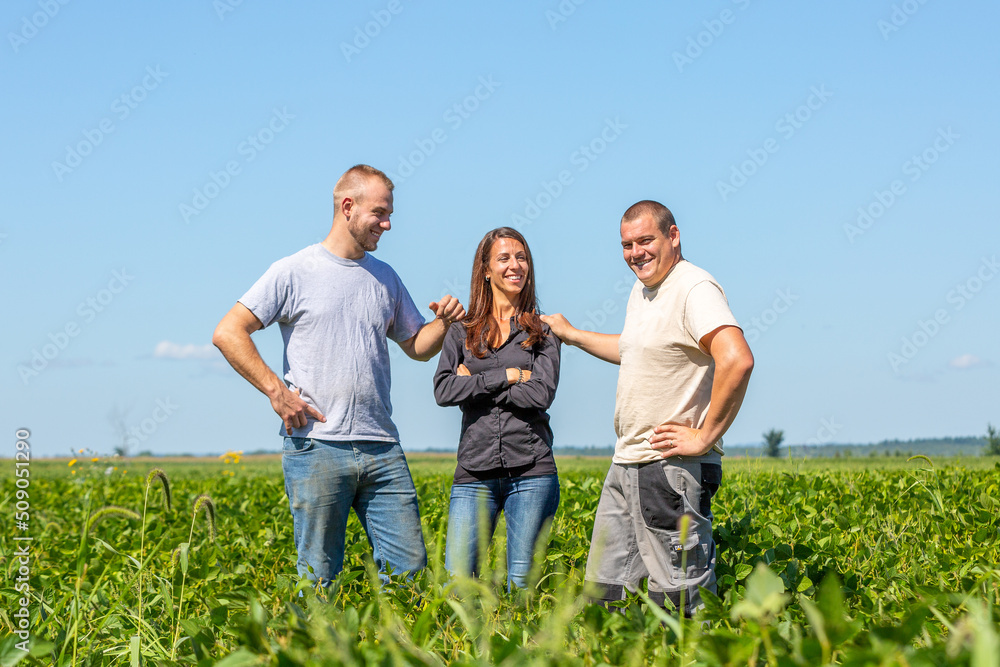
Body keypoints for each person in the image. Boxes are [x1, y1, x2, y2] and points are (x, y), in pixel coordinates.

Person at [212, 164, 465, 585]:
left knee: (409, 574)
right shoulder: (293, 271)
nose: (386, 225)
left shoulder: (385, 278)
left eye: (389, 216)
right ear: (348, 207)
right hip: (316, 447)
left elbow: (416, 347)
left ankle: (395, 651)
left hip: (382, 445)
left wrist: (446, 323)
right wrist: (277, 392)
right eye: (379, 213)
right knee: (319, 577)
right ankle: (317, 649)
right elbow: (228, 332)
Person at [541, 200, 753, 614]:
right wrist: (572, 334)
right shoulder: (644, 291)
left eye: (645, 240)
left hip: (669, 467)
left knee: (679, 595)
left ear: (673, 236)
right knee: (607, 589)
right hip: (629, 461)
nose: (635, 253)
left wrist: (705, 435)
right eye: (626, 245)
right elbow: (633, 350)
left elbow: (737, 358)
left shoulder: (693, 288)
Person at [433, 227, 561, 589]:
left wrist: (473, 379)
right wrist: (508, 376)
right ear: (486, 269)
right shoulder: (462, 331)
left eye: (521, 257)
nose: (515, 265)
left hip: (532, 470)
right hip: (474, 472)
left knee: (522, 586)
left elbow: (540, 395)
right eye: (504, 258)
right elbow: (443, 390)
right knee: (458, 584)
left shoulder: (543, 331)